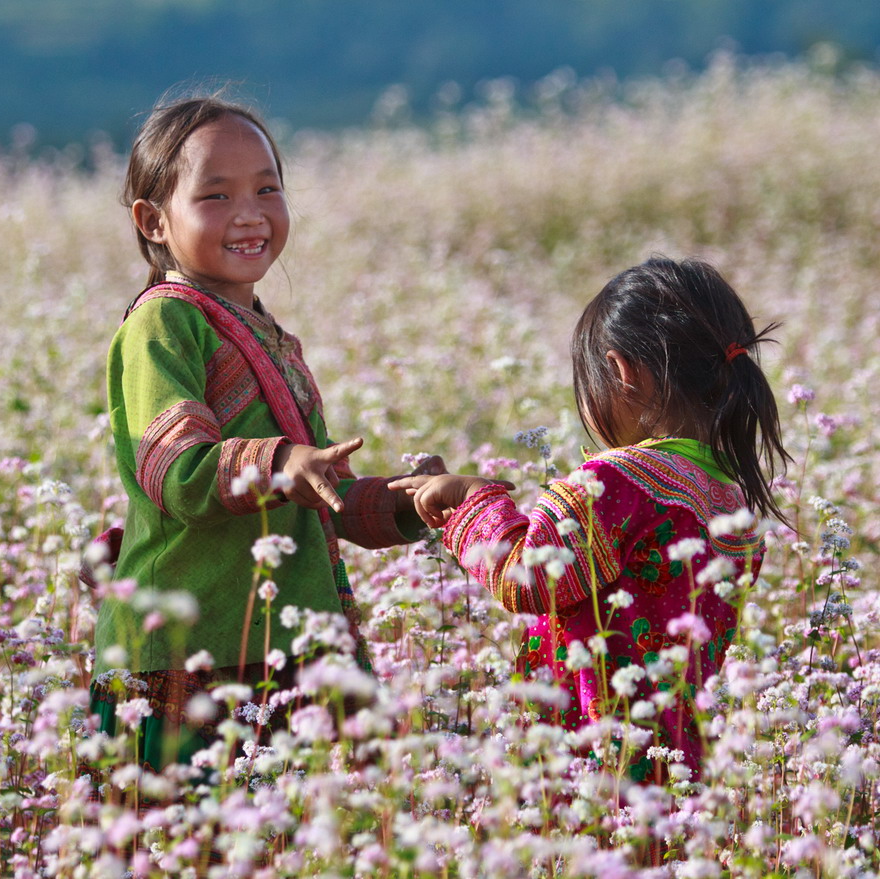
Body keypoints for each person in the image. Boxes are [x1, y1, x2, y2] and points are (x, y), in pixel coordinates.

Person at [91, 94, 428, 769]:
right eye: (216, 196)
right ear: (153, 221)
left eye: (267, 188)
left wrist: (412, 500)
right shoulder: (162, 324)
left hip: (285, 653)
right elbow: (179, 472)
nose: (249, 213)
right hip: (188, 664)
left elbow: (322, 491)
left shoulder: (269, 334)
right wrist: (282, 463)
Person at [392, 256, 789, 782]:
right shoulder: (730, 501)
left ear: (621, 372)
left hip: (591, 764)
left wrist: (472, 498)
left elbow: (527, 577)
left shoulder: (616, 482)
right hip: (680, 766)